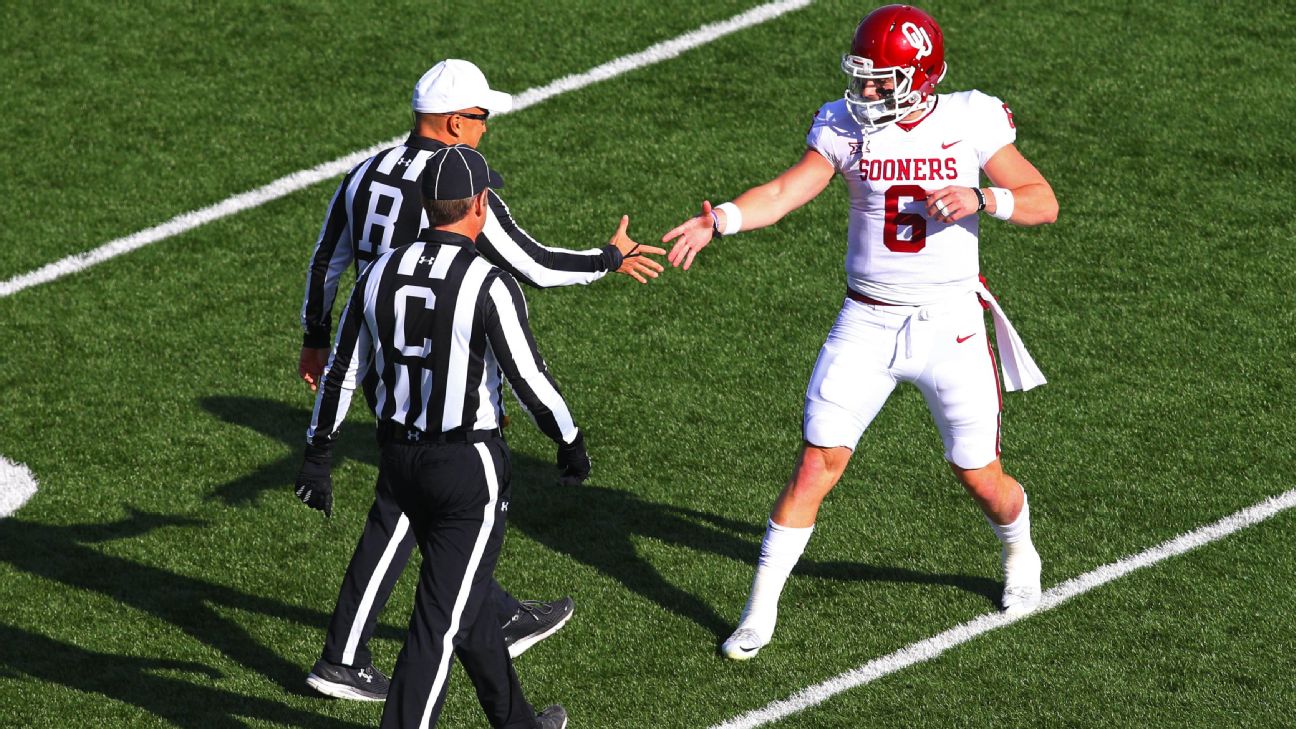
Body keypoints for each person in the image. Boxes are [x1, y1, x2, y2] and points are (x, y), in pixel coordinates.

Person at [662, 4, 1058, 660]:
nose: (865, 91)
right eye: (863, 77)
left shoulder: (969, 120)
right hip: (867, 320)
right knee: (817, 462)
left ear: (922, 77)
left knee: (978, 472)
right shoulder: (845, 125)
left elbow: (1043, 199)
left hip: (950, 323)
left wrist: (988, 198)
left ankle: (1019, 549)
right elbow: (790, 189)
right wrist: (724, 218)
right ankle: (759, 608)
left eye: (881, 80)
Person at [297, 58, 665, 699]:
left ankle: (494, 615)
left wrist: (316, 339)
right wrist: (608, 259)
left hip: (376, 350)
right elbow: (536, 265)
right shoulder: (459, 187)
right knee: (416, 506)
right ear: (454, 121)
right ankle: (347, 657)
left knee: (409, 503)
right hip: (440, 360)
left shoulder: (362, 173)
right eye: (481, 117)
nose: (486, 129)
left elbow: (327, 260)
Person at [295, 144, 578, 728]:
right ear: (478, 205)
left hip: (398, 461)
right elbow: (528, 380)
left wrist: (319, 455)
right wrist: (568, 442)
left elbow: (341, 374)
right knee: (438, 625)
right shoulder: (488, 283)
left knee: (466, 602)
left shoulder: (375, 273)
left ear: (426, 204)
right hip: (465, 469)